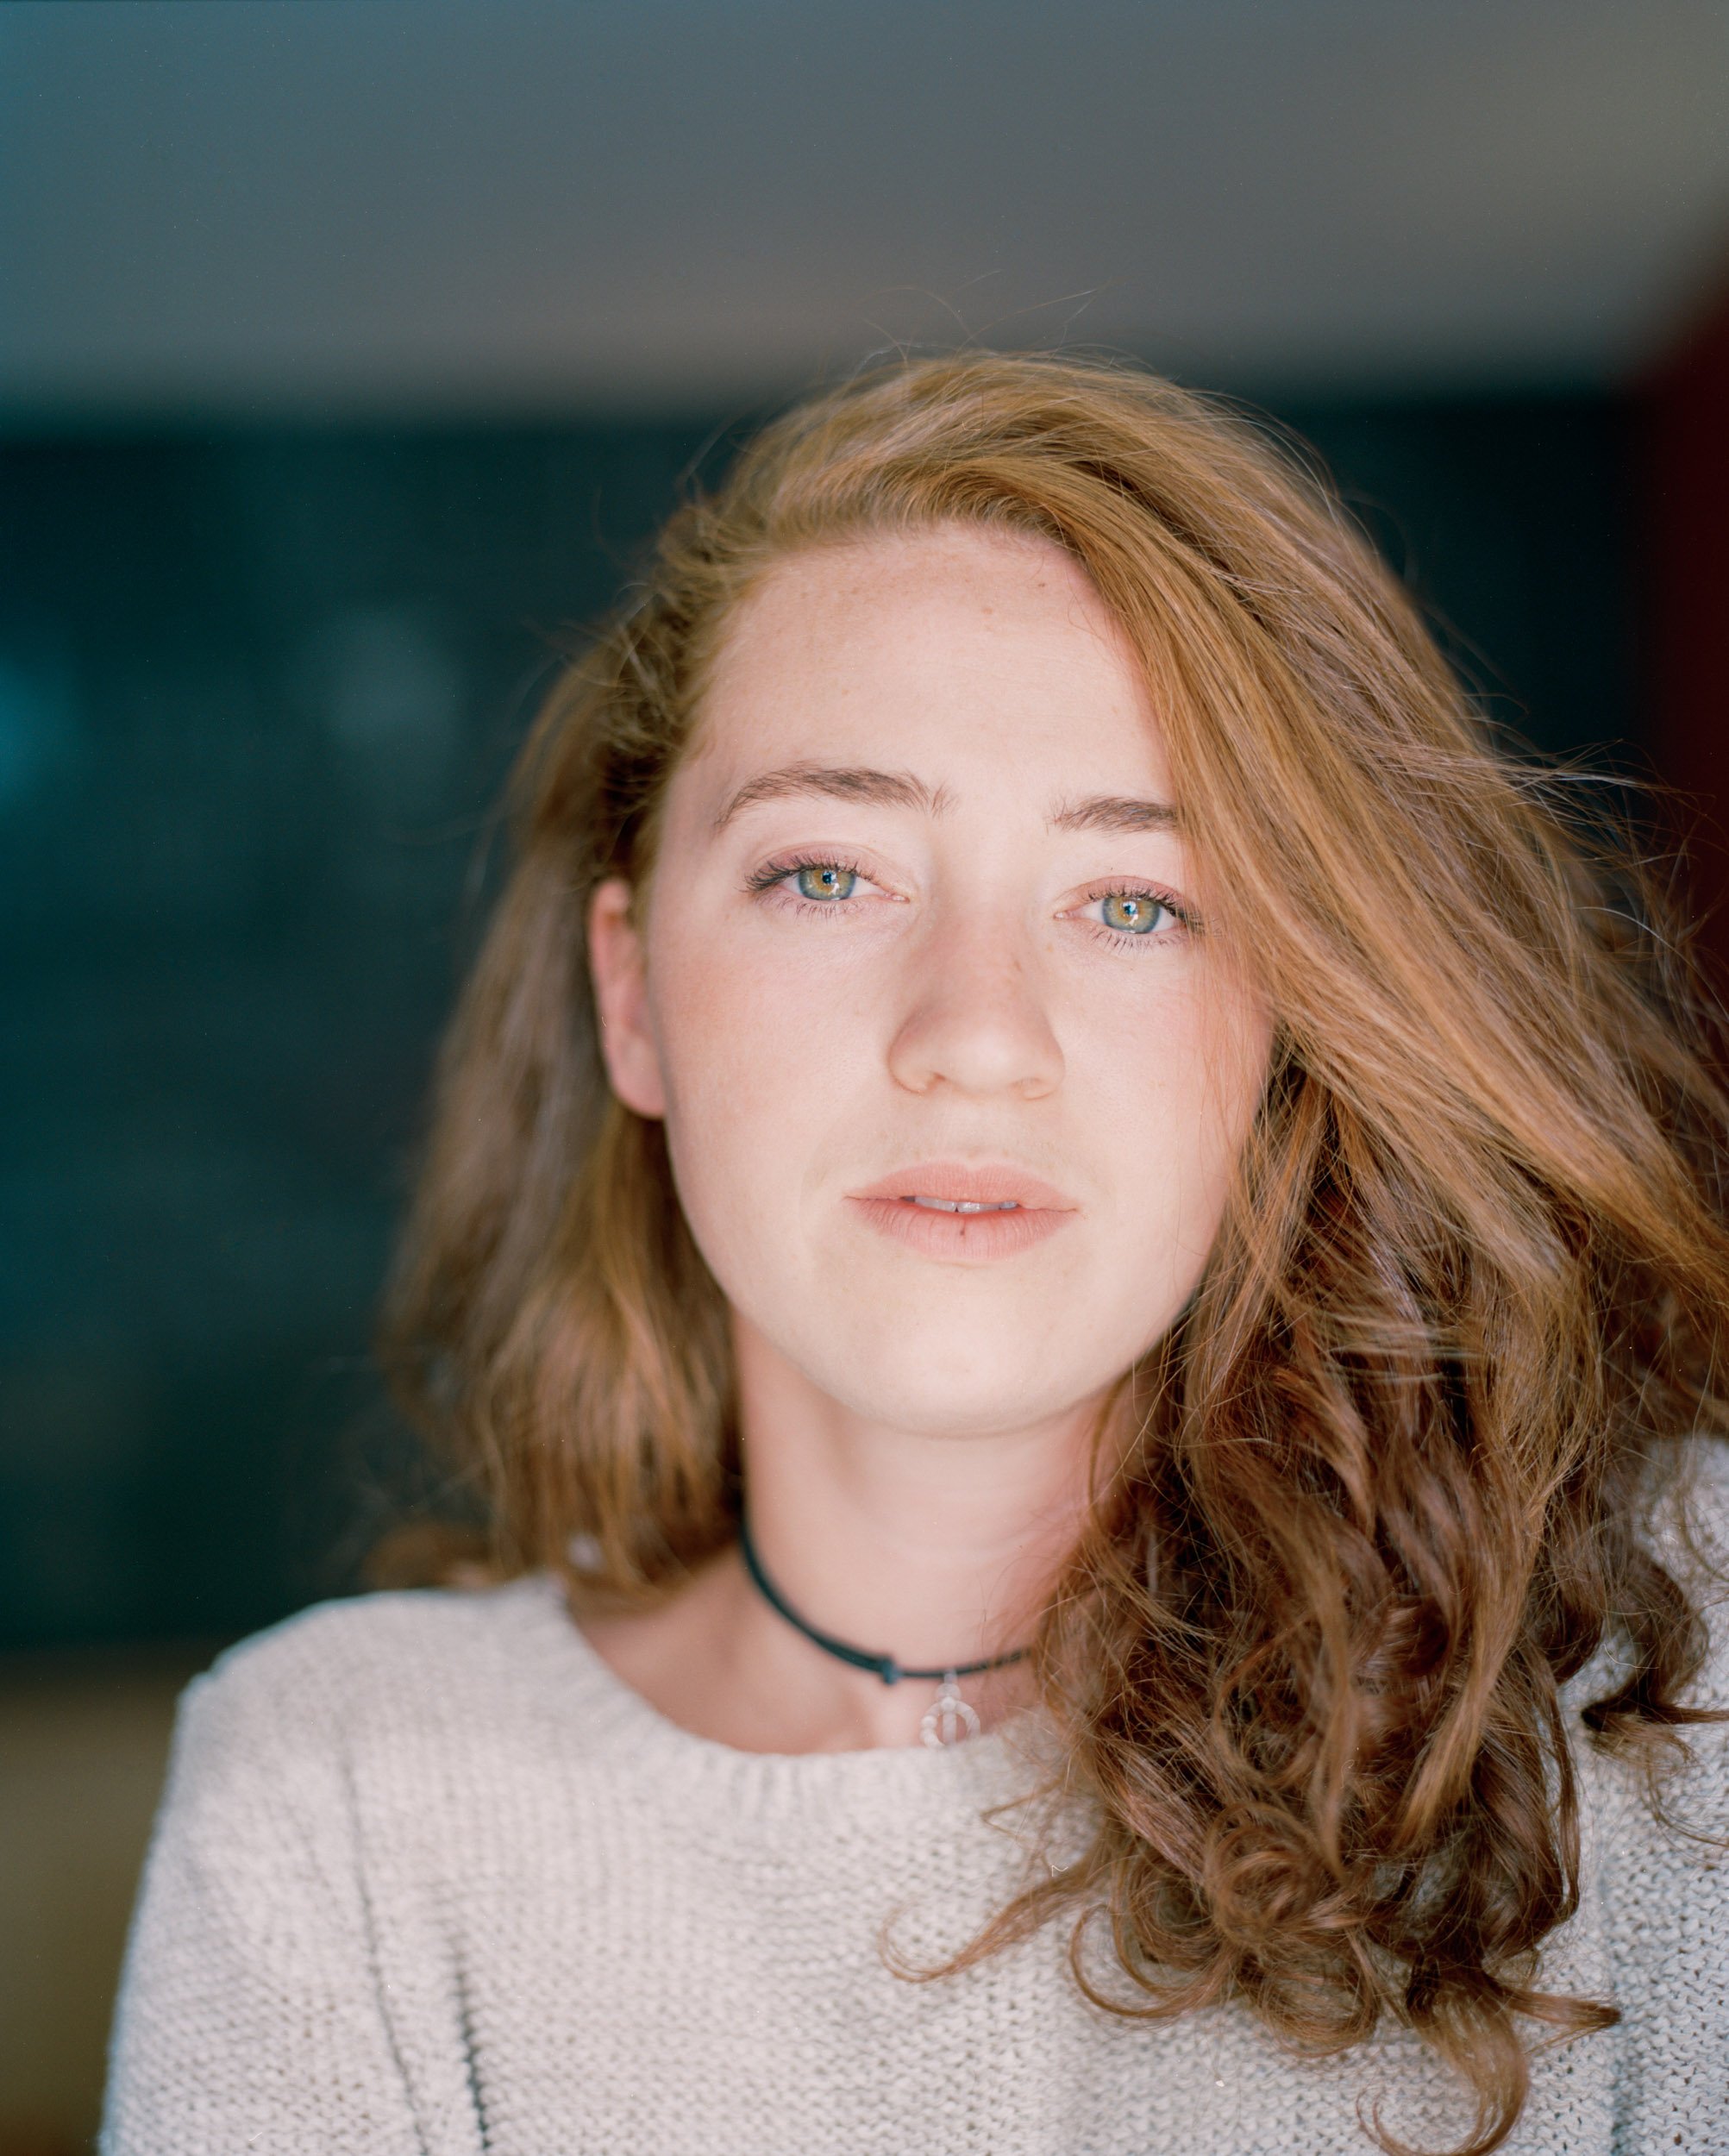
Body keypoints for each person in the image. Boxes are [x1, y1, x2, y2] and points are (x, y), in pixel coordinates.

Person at [102, 354, 1729, 2156]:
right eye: (828, 873)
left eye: (1135, 902)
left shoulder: (1671, 1670)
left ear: (1294, 1022)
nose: (973, 1032)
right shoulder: (339, 1788)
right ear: (633, 995)